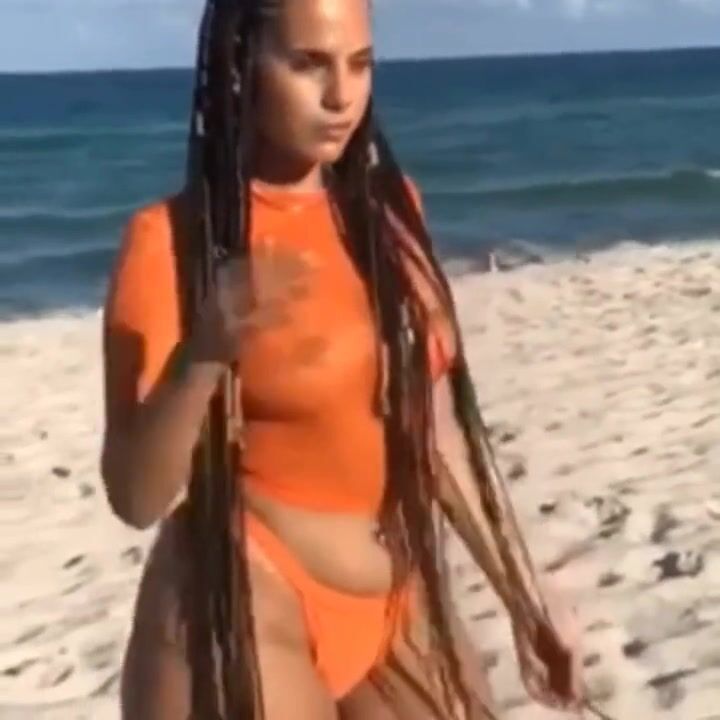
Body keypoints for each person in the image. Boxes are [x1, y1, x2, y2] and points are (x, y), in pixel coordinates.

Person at [101, 0, 583, 717]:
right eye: (309, 64)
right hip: (248, 596)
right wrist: (203, 354)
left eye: (360, 65)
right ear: (239, 67)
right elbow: (135, 496)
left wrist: (524, 596)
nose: (341, 96)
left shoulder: (391, 214)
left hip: (395, 596)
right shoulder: (172, 239)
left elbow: (434, 428)